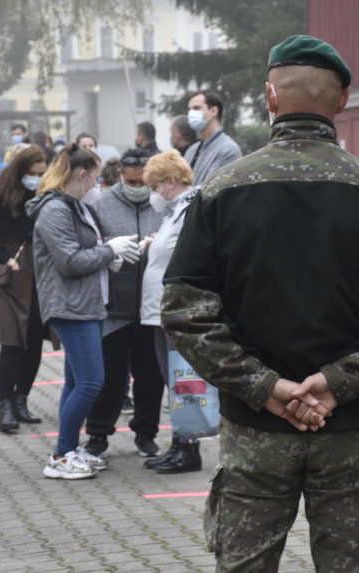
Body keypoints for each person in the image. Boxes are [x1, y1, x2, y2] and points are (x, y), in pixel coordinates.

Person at [161, 35, 359, 570]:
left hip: (254, 430)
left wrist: (263, 386)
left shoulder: (222, 191)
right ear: (341, 101)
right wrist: (339, 383)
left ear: (271, 98)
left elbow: (184, 307)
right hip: (352, 431)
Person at [26, 144, 141, 480]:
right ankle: (61, 455)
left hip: (84, 304)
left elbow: (83, 252)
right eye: (93, 177)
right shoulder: (56, 210)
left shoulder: (71, 206)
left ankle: (68, 448)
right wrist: (109, 250)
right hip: (71, 307)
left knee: (76, 381)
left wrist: (110, 256)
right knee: (92, 382)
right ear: (79, 175)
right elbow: (70, 261)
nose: (97, 185)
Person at [82, 150, 163, 459]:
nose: (137, 185)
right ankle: (98, 434)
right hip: (114, 307)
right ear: (120, 176)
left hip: (150, 307)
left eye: (142, 180)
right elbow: (92, 247)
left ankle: (146, 434)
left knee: (150, 377)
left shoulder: (160, 203)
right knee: (110, 378)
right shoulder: (102, 205)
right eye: (130, 180)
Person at [0, 145, 54, 432]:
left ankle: (22, 400)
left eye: (41, 173)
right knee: (11, 343)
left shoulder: (47, 195)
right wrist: (4, 256)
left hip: (42, 279)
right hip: (11, 278)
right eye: (31, 173)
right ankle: (5, 404)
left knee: (34, 343)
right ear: (20, 171)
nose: (36, 178)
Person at [138, 149, 202, 474]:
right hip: (159, 310)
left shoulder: (191, 208)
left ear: (171, 182)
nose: (153, 193)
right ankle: (179, 442)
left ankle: (188, 448)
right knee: (171, 379)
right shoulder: (174, 212)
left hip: (176, 309)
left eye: (155, 185)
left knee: (183, 378)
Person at [183, 91, 242, 185]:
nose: (191, 113)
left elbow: (213, 190)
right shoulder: (191, 150)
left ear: (214, 111)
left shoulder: (228, 150)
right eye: (190, 109)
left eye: (196, 108)